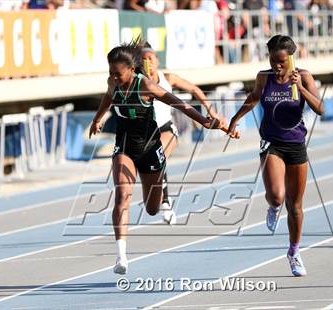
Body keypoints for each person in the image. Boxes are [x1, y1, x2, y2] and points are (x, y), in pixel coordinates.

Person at [89, 37, 234, 275]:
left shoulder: (146, 85)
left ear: (131, 70)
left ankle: (162, 198)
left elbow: (179, 104)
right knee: (122, 195)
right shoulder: (112, 83)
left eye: (118, 74)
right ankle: (121, 256)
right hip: (124, 146)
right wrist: (97, 119)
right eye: (110, 73)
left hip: (150, 148)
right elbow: (108, 96)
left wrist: (205, 121)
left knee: (152, 209)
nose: (113, 78)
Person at [227, 35, 323, 277]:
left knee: (296, 206)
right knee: (278, 196)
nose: (277, 66)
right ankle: (273, 206)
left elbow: (319, 108)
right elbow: (253, 98)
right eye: (273, 60)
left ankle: (293, 252)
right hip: (271, 142)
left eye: (281, 61)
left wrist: (299, 87)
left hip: (296, 144)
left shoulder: (304, 76)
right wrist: (234, 119)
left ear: (291, 58)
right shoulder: (264, 77)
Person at [141, 45, 226, 225]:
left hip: (166, 128)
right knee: (150, 166)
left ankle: (165, 201)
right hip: (145, 133)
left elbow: (194, 89)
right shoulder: (137, 82)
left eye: (150, 58)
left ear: (157, 60)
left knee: (158, 156)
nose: (148, 62)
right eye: (144, 59)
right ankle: (163, 199)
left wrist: (212, 111)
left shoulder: (168, 78)